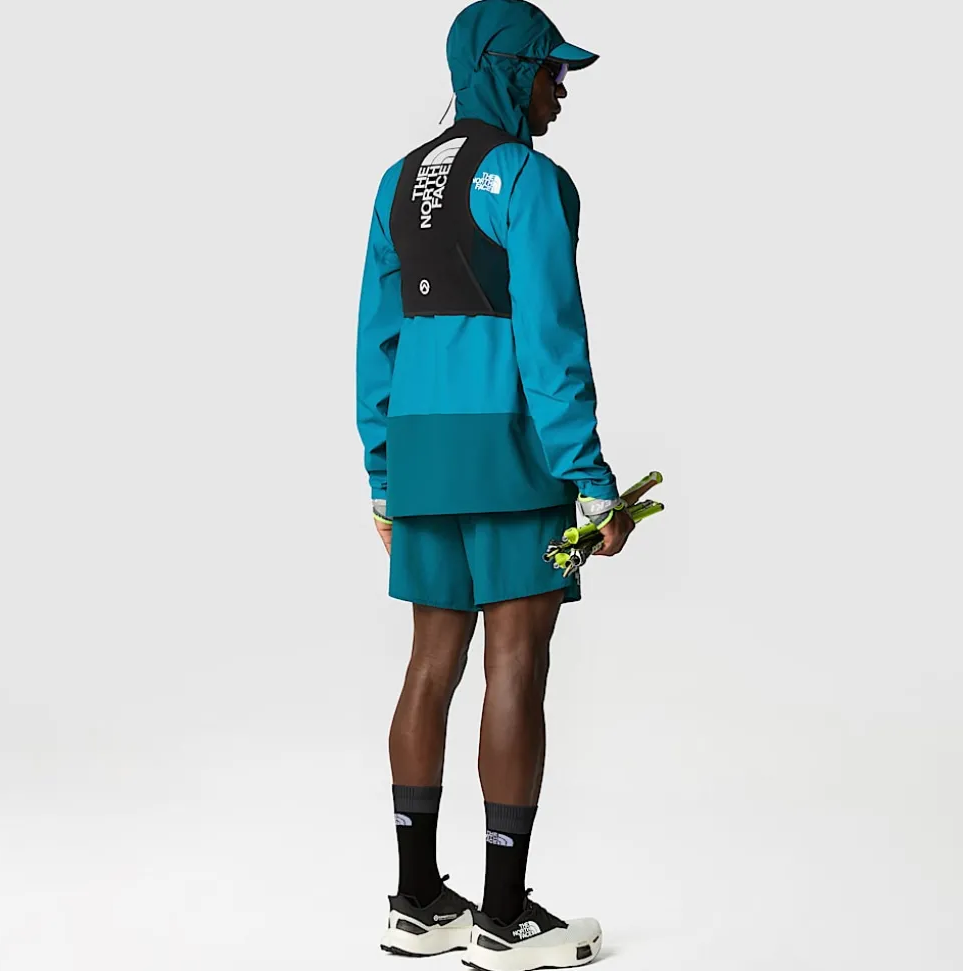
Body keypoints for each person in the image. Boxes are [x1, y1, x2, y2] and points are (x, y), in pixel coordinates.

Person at [355, 2, 634, 967]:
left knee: (431, 664)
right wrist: (591, 481)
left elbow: (377, 341)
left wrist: (383, 475)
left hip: (420, 453)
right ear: (513, 72)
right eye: (553, 72)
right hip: (512, 449)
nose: (562, 92)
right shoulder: (529, 179)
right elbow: (551, 342)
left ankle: (416, 901)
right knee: (516, 664)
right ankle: (505, 917)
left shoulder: (399, 183)